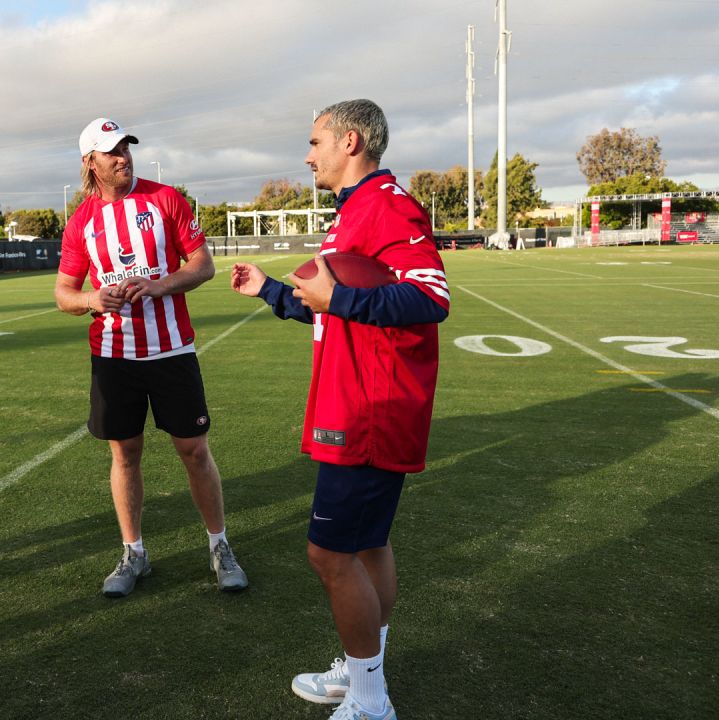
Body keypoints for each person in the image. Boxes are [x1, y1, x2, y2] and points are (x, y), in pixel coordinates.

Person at [231, 99, 450, 720]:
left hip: (369, 408)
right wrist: (273, 290)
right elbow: (333, 299)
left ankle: (370, 699)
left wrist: (342, 298)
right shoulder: (355, 209)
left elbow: (431, 297)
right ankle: (362, 673)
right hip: (356, 397)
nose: (307, 155)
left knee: (329, 554)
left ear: (350, 141)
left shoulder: (386, 204)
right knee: (368, 545)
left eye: (315, 142)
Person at [54, 117, 249, 598]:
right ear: (90, 163)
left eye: (125, 146)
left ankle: (220, 546)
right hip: (113, 356)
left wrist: (161, 285)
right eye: (110, 150)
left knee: (194, 449)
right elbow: (64, 293)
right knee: (125, 453)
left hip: (171, 349)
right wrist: (92, 301)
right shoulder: (81, 222)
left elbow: (203, 264)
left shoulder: (166, 200)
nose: (123, 156)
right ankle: (133, 552)